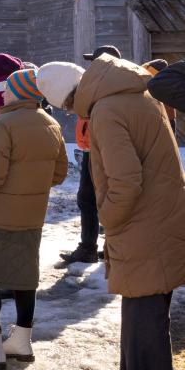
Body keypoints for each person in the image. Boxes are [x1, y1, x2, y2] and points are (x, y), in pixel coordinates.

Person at [56, 55, 185, 370]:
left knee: (144, 313)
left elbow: (126, 181)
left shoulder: (108, 111)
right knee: (141, 307)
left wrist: (108, 219)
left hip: (143, 223)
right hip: (159, 218)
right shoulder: (133, 93)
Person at [0, 68, 67, 369]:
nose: (2, 93)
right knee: (24, 277)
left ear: (20, 91)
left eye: (7, 88)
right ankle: (22, 339)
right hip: (31, 218)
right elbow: (58, 174)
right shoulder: (52, 125)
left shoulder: (0, 126)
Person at [59, 45, 121, 265]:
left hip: (99, 149)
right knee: (92, 199)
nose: (90, 65)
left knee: (96, 199)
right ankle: (101, 247)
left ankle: (94, 248)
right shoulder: (102, 83)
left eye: (94, 60)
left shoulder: (104, 85)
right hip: (91, 148)